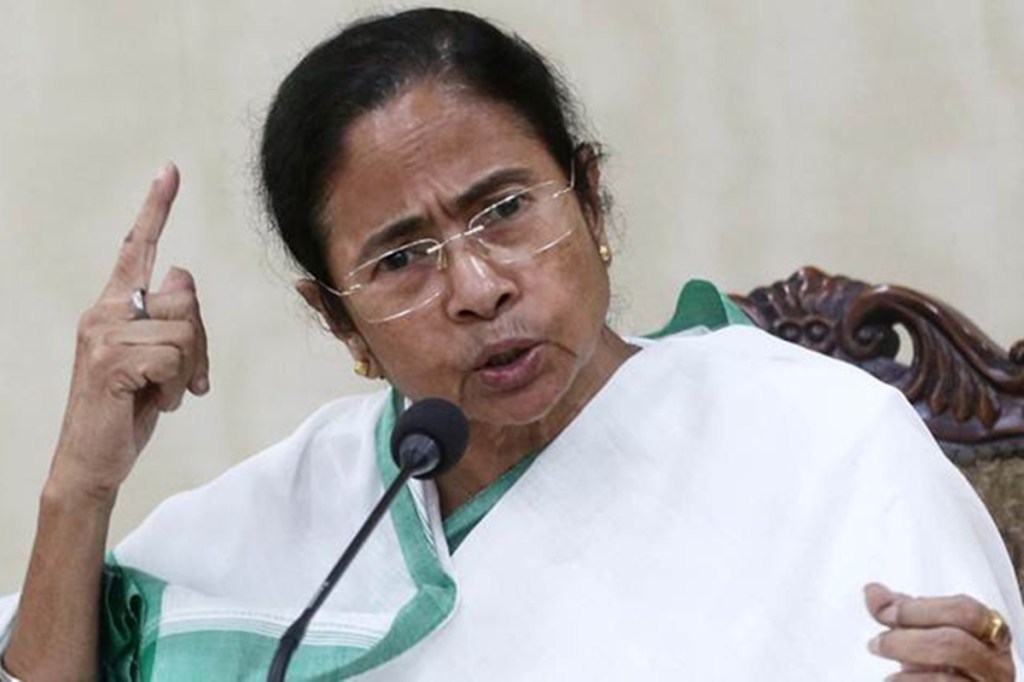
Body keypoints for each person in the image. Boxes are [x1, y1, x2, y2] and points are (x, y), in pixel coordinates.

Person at [0, 7, 1020, 680]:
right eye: (402, 258)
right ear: (337, 319)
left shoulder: (818, 441)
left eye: (505, 209)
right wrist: (79, 485)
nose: (478, 287)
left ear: (590, 197)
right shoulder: (297, 515)